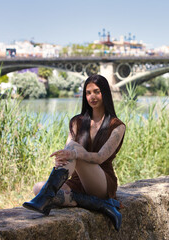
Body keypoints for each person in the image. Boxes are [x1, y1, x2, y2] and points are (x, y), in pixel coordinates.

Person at [23, 74, 126, 231]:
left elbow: (100, 158)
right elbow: (67, 151)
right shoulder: (77, 122)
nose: (92, 96)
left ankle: (101, 199)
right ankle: (100, 205)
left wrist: (74, 154)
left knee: (74, 148)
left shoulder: (117, 126)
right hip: (77, 181)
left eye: (96, 91)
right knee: (38, 188)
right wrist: (61, 160)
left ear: (105, 92)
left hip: (101, 181)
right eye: (88, 92)